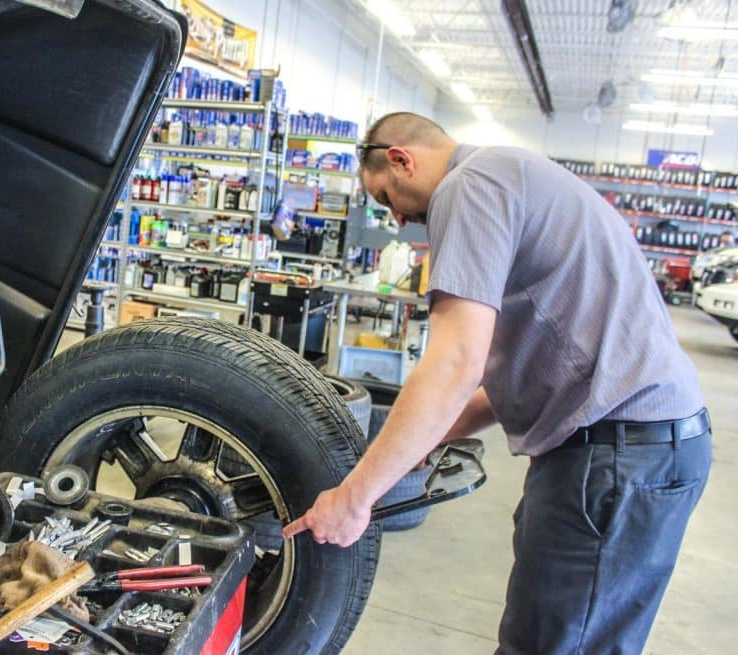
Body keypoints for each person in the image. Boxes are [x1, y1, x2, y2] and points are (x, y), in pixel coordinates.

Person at [282, 112, 712, 654]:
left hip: (615, 459)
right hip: (644, 448)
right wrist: (415, 441)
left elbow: (456, 363)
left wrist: (356, 497)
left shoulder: (468, 187)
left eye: (388, 198)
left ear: (401, 159)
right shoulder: (510, 175)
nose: (396, 220)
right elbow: (499, 376)